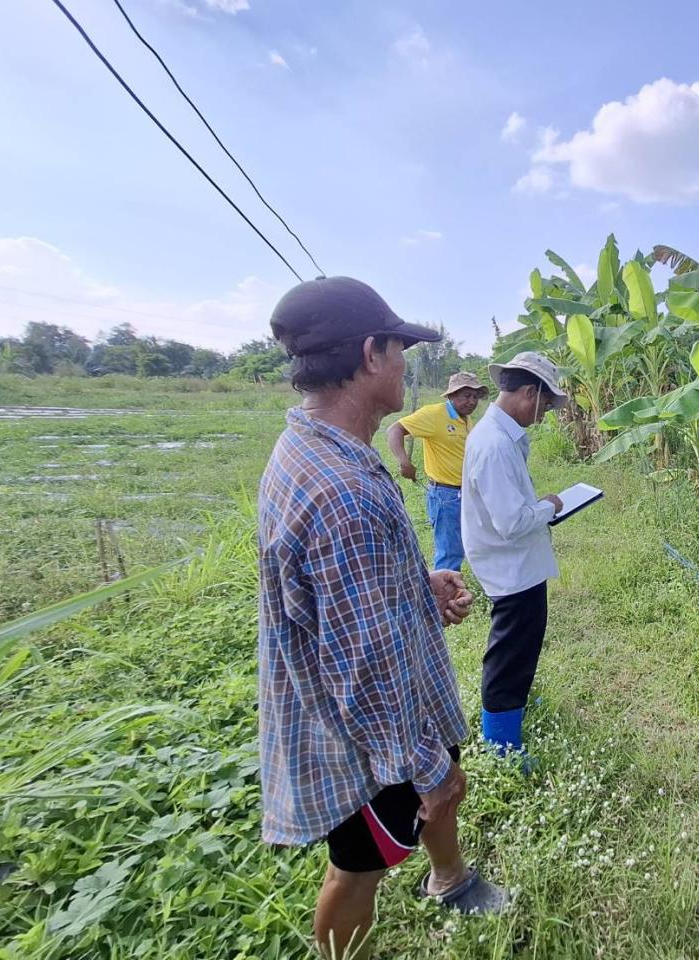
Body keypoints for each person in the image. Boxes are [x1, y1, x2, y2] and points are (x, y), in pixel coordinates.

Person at [257, 276, 507, 960]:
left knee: (438, 793)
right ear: (371, 354)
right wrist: (423, 765)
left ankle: (449, 875)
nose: (406, 365)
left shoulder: (315, 449)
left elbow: (336, 592)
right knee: (358, 865)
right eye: (400, 350)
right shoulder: (344, 493)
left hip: (396, 702)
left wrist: (417, 585)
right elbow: (362, 669)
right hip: (366, 738)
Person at [460, 351, 569, 755]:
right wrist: (549, 507)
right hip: (510, 567)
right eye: (545, 404)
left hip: (517, 563)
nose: (544, 415)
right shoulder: (494, 445)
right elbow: (511, 522)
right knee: (509, 654)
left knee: (522, 647)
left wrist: (536, 508)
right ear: (528, 393)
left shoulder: (498, 436)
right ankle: (501, 744)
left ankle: (515, 706)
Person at [386, 372, 488, 572]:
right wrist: (404, 461)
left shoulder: (466, 420)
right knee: (449, 553)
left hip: (467, 493)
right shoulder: (434, 414)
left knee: (472, 544)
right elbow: (394, 430)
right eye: (466, 395)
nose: (472, 401)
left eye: (475, 396)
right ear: (451, 395)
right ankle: (444, 599)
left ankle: (455, 591)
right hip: (446, 496)